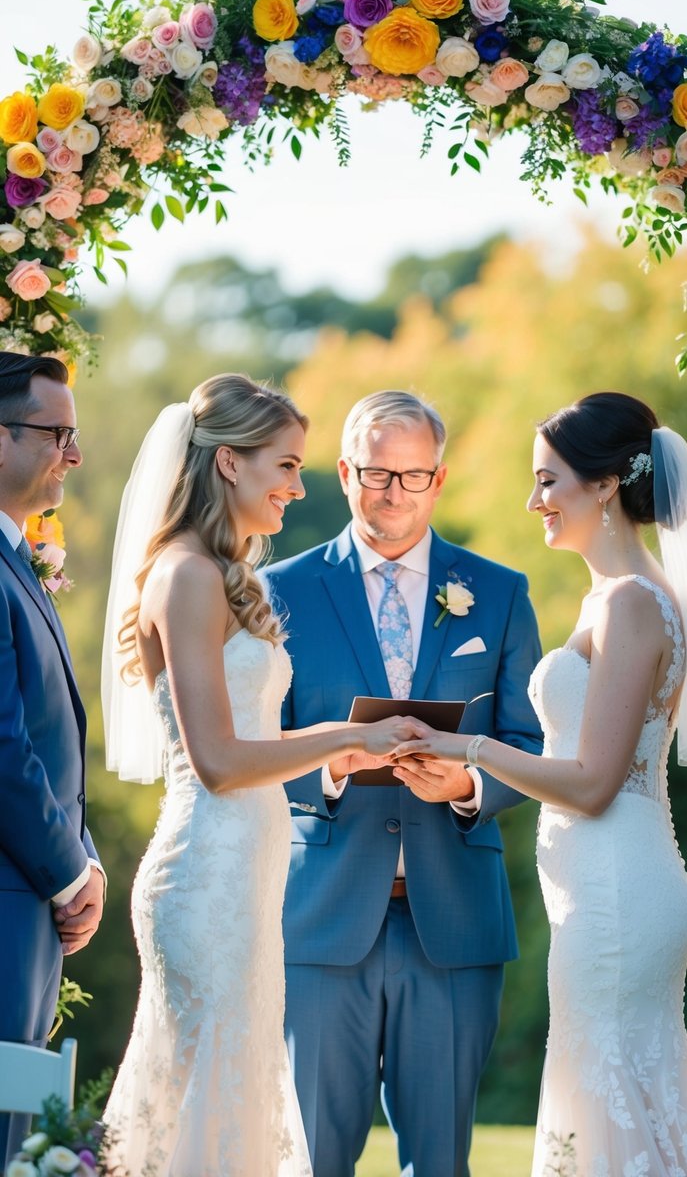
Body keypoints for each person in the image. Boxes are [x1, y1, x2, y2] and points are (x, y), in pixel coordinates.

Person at [392, 391, 687, 1176]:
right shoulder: (615, 597)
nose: (534, 502)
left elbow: (592, 784)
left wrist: (472, 745)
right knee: (615, 1108)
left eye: (547, 481)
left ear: (601, 485)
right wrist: (461, 768)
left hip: (618, 895)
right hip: (600, 890)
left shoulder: (630, 605)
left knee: (612, 1103)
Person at [101, 374, 418, 1177]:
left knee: (235, 1097)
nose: (296, 487)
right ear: (229, 464)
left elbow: (255, 741)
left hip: (247, 872)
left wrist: (349, 752)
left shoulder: (217, 574)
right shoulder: (186, 575)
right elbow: (217, 762)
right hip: (205, 875)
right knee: (204, 1095)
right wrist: (344, 730)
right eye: (284, 465)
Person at [261, 390, 542, 1177]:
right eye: (377, 473)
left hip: (451, 920)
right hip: (319, 916)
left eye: (413, 476)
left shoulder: (498, 590)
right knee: (313, 1157)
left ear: (440, 478)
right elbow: (244, 748)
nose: (394, 493)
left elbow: (531, 743)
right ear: (344, 472)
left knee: (443, 1162)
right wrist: (332, 765)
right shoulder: (279, 588)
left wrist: (466, 786)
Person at [0, 351, 105, 1165]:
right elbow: (2, 745)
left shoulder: (17, 560)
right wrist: (70, 874)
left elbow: (48, 738)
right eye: (56, 433)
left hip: (33, 901)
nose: (73, 454)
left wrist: (86, 859)